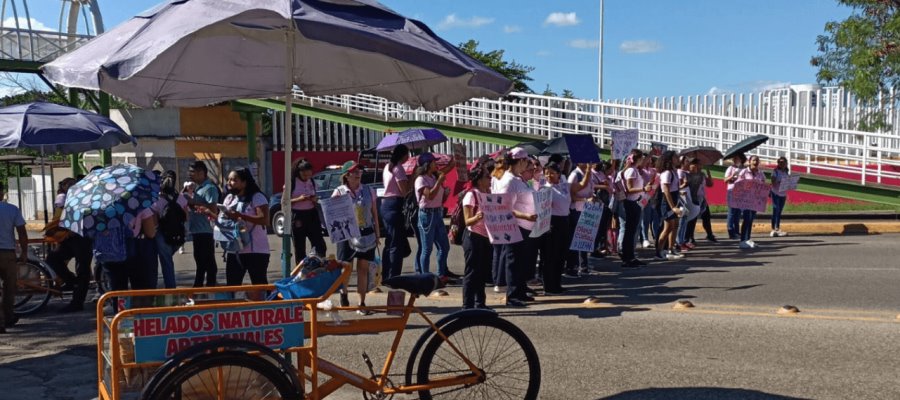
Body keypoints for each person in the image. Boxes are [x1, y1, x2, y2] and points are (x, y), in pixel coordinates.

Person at [332, 161, 380, 314]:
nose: (358, 173)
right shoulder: (339, 192)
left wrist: (378, 233)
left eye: (359, 170)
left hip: (366, 232)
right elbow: (332, 216)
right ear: (347, 175)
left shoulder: (369, 190)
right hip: (346, 235)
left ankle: (362, 302)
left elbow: (374, 214)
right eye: (354, 171)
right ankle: (343, 293)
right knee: (346, 268)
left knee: (363, 268)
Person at [212, 168, 270, 288]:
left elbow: (264, 219)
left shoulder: (257, 197)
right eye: (228, 180)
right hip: (235, 249)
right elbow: (226, 220)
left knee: (259, 287)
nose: (229, 182)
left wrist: (241, 216)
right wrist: (209, 213)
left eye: (234, 180)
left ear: (244, 182)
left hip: (256, 251)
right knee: (232, 286)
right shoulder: (229, 198)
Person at [495, 148, 538, 308]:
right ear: (520, 161)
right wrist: (525, 216)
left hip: (524, 226)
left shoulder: (517, 179)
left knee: (521, 260)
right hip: (515, 226)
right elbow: (505, 207)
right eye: (526, 161)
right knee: (513, 261)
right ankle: (512, 295)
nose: (528, 165)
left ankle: (520, 290)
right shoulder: (509, 181)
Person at [414, 152, 455, 281]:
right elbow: (429, 195)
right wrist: (439, 182)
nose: (435, 164)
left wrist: (454, 160)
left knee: (444, 246)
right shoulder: (421, 179)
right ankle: (424, 276)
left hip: (437, 213)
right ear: (427, 165)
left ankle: (440, 274)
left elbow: (439, 198)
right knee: (427, 248)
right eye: (433, 162)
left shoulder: (434, 176)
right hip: (427, 214)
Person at [461, 159, 492, 309]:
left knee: (482, 271)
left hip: (485, 237)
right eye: (487, 176)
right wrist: (478, 217)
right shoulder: (471, 195)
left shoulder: (488, 193)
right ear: (479, 180)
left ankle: (481, 303)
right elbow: (467, 221)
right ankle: (467, 305)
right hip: (473, 237)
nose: (490, 178)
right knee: (472, 271)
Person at [153, 170, 189, 289]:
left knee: (166, 262)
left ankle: (170, 288)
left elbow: (154, 220)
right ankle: (171, 287)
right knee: (168, 259)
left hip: (162, 234)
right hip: (178, 235)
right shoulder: (181, 198)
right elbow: (186, 217)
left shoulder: (156, 199)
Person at [0, 182, 28, 333]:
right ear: (2, 193)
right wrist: (24, 252)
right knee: (9, 288)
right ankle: (8, 317)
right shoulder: (12, 209)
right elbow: (22, 232)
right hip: (7, 253)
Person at [186, 161, 219, 287]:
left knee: (207, 262)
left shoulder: (209, 188)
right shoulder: (198, 188)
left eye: (192, 172)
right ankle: (201, 286)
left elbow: (212, 208)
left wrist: (192, 203)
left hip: (205, 230)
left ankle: (207, 287)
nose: (190, 175)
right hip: (197, 230)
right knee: (200, 261)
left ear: (201, 173)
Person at [380, 145, 410, 280]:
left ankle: (386, 273)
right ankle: (393, 276)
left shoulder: (388, 167)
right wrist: (412, 178)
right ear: (404, 155)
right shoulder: (398, 168)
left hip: (386, 204)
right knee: (396, 244)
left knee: (390, 241)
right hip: (394, 203)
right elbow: (404, 191)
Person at [618, 150, 652, 267]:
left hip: (634, 202)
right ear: (637, 159)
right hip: (631, 202)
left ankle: (630, 256)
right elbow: (629, 189)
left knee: (631, 231)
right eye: (641, 158)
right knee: (630, 231)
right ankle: (627, 257)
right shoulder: (632, 170)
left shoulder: (634, 170)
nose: (643, 160)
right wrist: (643, 189)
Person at [540, 162, 570, 294]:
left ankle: (557, 283)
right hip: (552, 222)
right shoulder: (544, 189)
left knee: (561, 254)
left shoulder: (563, 187)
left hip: (564, 220)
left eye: (552, 172)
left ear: (559, 174)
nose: (549, 175)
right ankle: (549, 285)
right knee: (550, 255)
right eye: (546, 173)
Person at [287, 159, 327, 259]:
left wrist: (314, 199)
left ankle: (317, 264)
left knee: (320, 245)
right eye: (304, 176)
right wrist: (299, 199)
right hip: (298, 215)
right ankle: (301, 269)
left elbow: (317, 196)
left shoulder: (312, 182)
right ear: (299, 172)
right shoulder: (292, 182)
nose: (307, 178)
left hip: (312, 214)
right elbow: (284, 202)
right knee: (300, 247)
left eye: (309, 175)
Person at [566, 161, 595, 277]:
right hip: (576, 210)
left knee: (584, 239)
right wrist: (584, 200)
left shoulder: (586, 174)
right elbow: (570, 195)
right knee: (575, 240)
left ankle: (583, 266)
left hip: (586, 210)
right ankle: (573, 266)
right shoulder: (575, 175)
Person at [655, 151, 684, 261]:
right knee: (667, 227)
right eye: (675, 157)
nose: (678, 159)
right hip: (667, 202)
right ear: (670, 159)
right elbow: (666, 190)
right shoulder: (667, 173)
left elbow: (675, 187)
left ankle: (671, 249)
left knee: (675, 225)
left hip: (674, 200)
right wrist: (672, 207)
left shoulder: (674, 171)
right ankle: (659, 251)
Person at [738, 155, 766, 249]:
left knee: (751, 219)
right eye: (754, 160)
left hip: (755, 200)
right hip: (745, 199)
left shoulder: (760, 173)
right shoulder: (744, 172)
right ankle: (743, 240)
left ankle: (748, 239)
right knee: (746, 219)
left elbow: (763, 184)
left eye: (757, 160)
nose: (755, 162)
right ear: (749, 162)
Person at [490, 156, 508, 293]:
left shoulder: (493, 177)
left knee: (497, 250)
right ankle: (500, 280)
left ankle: (496, 279)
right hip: (502, 214)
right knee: (503, 250)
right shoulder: (504, 179)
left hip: (493, 214)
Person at [724, 153, 747, 240]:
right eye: (734, 158)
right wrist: (732, 176)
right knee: (731, 212)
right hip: (732, 191)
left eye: (736, 158)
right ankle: (731, 231)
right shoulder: (731, 168)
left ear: (741, 159)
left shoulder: (745, 169)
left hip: (741, 193)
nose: (734, 160)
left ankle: (737, 231)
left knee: (738, 213)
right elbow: (725, 180)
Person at [770, 156, 790, 237]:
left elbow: (788, 183)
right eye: (780, 162)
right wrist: (779, 181)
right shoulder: (775, 171)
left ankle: (777, 227)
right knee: (776, 210)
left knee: (779, 211)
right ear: (778, 163)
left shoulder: (786, 172)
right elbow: (773, 181)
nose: (782, 164)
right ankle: (774, 228)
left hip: (783, 194)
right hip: (775, 193)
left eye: (784, 162)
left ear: (786, 164)